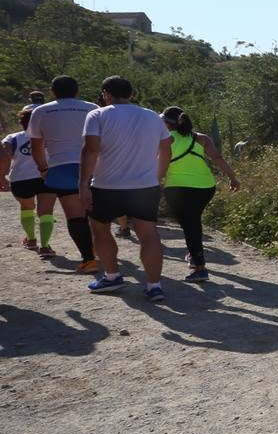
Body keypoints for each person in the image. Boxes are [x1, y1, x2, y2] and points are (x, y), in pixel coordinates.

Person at [79, 76, 173, 300]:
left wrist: (83, 184)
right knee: (149, 234)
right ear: (131, 94)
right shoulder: (152, 116)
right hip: (144, 186)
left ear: (106, 94)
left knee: (100, 229)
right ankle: (154, 286)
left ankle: (112, 277)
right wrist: (158, 176)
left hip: (106, 185)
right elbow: (166, 149)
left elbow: (90, 150)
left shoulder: (97, 115)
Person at [159, 107, 241, 282]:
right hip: (205, 187)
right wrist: (232, 177)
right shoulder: (201, 138)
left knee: (189, 224)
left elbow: (160, 165)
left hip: (176, 188)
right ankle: (193, 254)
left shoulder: (165, 140)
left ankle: (200, 267)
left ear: (167, 123)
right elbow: (217, 158)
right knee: (193, 221)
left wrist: (151, 183)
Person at [27, 76, 99, 270]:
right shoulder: (92, 108)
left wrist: (43, 168)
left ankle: (89, 259)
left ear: (52, 91)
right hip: (94, 166)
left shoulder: (41, 111)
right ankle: (101, 250)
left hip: (61, 167)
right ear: (77, 90)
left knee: (75, 215)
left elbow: (36, 146)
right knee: (96, 214)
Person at [1, 106, 46, 251]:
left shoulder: (12, 138)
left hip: (21, 178)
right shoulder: (49, 136)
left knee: (27, 208)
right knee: (46, 212)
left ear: (22, 123)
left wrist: (2, 176)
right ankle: (45, 246)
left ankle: (31, 239)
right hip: (45, 176)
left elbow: (5, 157)